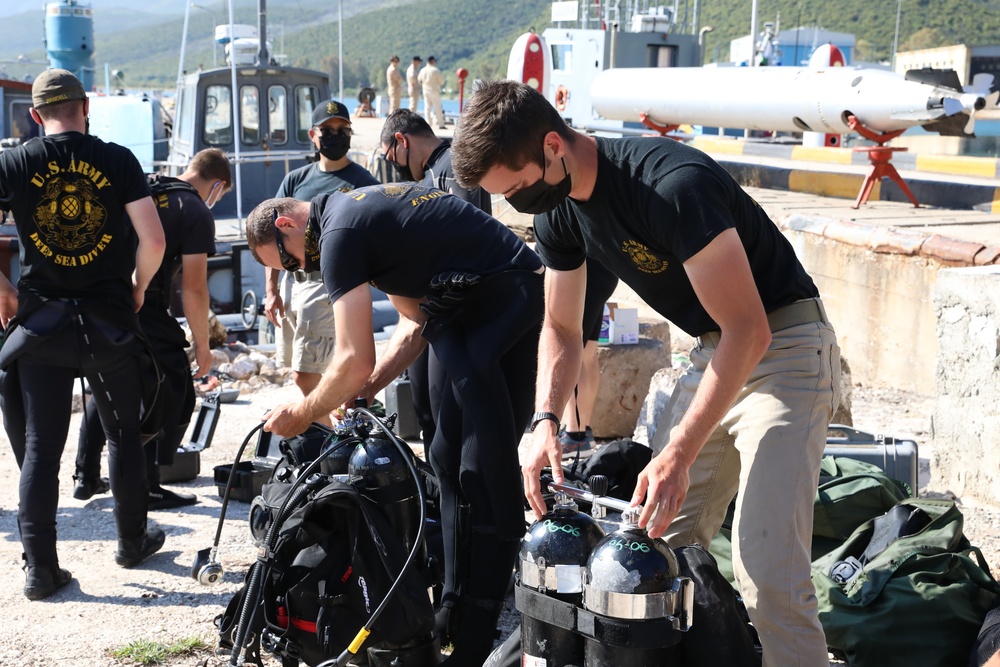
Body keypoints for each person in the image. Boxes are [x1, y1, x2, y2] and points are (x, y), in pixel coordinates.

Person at [451, 80, 841, 667]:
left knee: (769, 572)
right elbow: (560, 326)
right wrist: (544, 421)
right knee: (647, 553)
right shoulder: (561, 208)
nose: (515, 205)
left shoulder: (668, 186)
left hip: (783, 344)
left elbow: (751, 330)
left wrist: (679, 452)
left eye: (515, 189)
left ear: (552, 146)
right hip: (718, 346)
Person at [244, 185, 544, 666]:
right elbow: (413, 323)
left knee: (483, 475)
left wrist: (301, 415)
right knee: (445, 459)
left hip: (508, 295)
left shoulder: (340, 232)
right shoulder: (358, 218)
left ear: (287, 225)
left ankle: (475, 639)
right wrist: (371, 385)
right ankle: (451, 608)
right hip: (473, 307)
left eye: (291, 263)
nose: (302, 270)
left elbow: (351, 358)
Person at [0, 69, 168, 600]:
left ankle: (41, 570)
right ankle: (131, 541)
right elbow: (155, 240)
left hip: (42, 325)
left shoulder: (15, 162)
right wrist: (138, 289)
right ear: (86, 106)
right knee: (122, 434)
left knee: (41, 447)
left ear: (34, 115)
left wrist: (2, 289)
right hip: (108, 323)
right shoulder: (118, 160)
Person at [72, 148, 232, 510]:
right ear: (218, 185)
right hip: (145, 302)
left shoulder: (142, 188)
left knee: (108, 384)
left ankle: (86, 474)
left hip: (101, 300)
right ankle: (147, 485)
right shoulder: (193, 210)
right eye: (221, 196)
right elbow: (194, 287)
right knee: (171, 388)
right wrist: (202, 346)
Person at [378, 108, 494, 446]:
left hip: (454, 315)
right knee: (425, 408)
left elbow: (471, 236)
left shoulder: (453, 168)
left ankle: (457, 494)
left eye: (391, 157)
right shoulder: (428, 175)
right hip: (429, 311)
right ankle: (435, 491)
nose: (394, 166)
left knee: (446, 414)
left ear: (402, 141)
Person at [263, 99, 378, 408]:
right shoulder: (295, 180)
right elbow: (274, 234)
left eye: (343, 129)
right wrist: (271, 290)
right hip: (292, 283)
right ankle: (337, 431)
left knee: (306, 372)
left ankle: (325, 428)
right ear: (313, 135)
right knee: (303, 367)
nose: (336, 135)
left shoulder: (364, 182)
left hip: (330, 283)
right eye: (328, 130)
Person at [558, 258, 618, 458]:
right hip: (600, 269)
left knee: (573, 349)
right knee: (587, 352)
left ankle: (575, 436)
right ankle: (582, 429)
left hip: (583, 270)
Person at [418, 56, 446, 130]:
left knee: (427, 107)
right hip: (434, 90)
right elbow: (442, 81)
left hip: (425, 90)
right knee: (437, 107)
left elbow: (419, 80)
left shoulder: (422, 70)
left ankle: (428, 124)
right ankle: (441, 124)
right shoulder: (435, 70)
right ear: (432, 61)